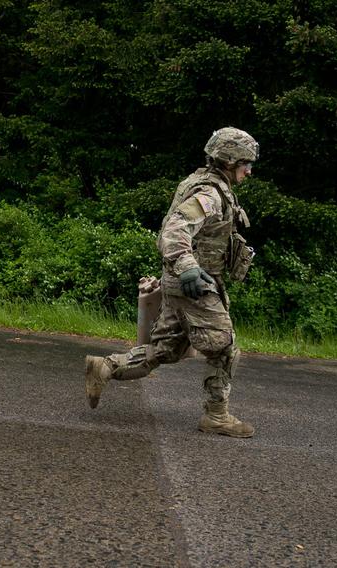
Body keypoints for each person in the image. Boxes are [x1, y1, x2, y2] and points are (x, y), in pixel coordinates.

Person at [84, 127, 258, 438]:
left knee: (165, 348)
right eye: (245, 162)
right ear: (230, 160)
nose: (249, 169)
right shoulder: (210, 193)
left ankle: (105, 367)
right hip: (194, 284)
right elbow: (175, 230)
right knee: (225, 347)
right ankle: (216, 416)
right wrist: (189, 268)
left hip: (183, 281)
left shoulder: (205, 184)